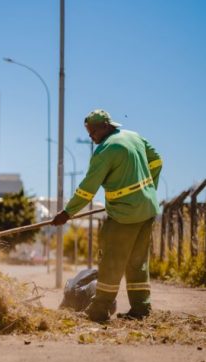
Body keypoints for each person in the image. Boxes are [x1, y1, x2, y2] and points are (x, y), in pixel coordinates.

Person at [51, 109, 163, 322]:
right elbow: (157, 161)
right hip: (147, 209)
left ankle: (99, 311)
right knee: (137, 262)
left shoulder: (105, 151)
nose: (91, 137)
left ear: (105, 127)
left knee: (112, 261)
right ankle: (141, 309)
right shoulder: (134, 137)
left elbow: (87, 188)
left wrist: (67, 212)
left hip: (124, 215)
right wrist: (147, 190)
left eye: (92, 132)